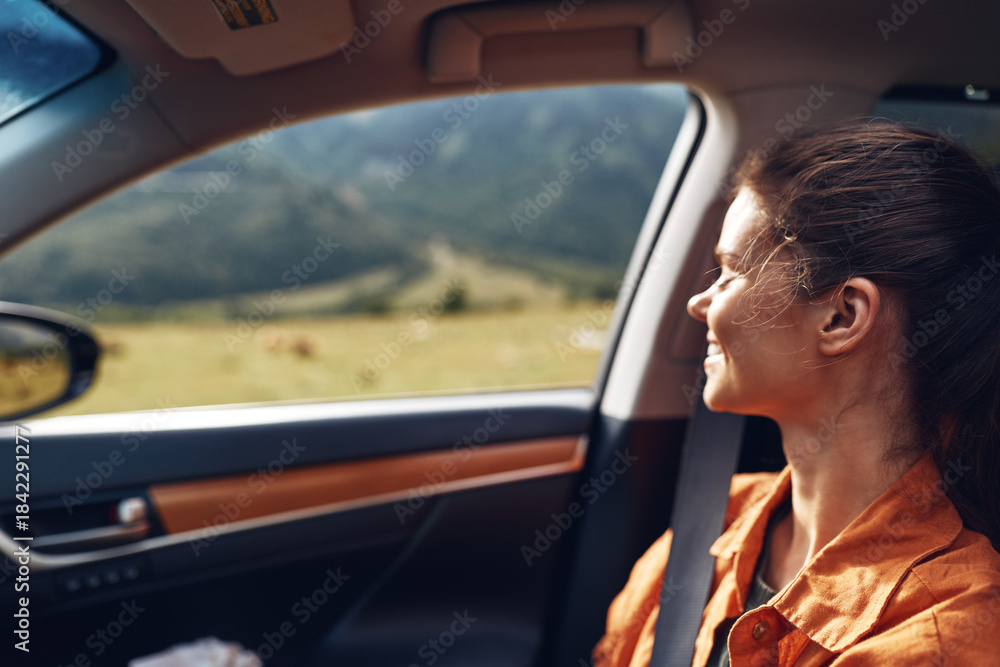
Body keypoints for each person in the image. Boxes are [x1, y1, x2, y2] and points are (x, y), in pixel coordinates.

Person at [594, 121, 1000, 666]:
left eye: (730, 271)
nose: (700, 304)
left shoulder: (944, 637)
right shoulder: (718, 521)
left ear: (841, 316)